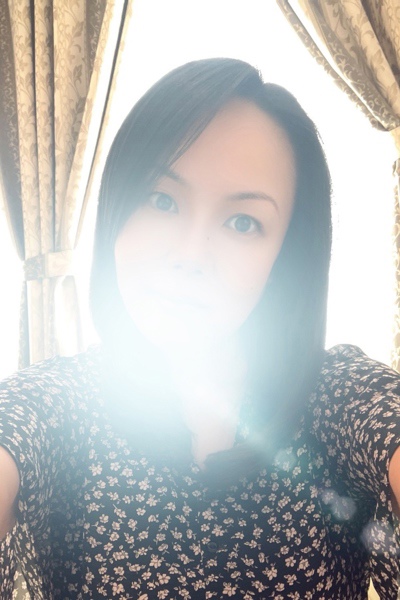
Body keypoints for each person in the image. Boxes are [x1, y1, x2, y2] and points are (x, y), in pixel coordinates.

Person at [0, 57, 399, 600]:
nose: (190, 255)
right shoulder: (59, 402)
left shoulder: (336, 395)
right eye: (161, 200)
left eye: (242, 222)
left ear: (284, 258)